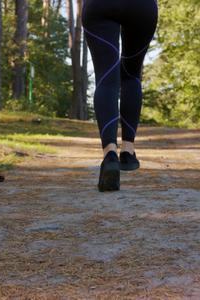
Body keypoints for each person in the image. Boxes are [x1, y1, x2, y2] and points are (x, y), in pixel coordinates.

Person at [82, 0, 158, 192]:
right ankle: (128, 151)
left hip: (99, 6)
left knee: (106, 77)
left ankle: (110, 155)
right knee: (132, 75)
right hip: (141, 7)